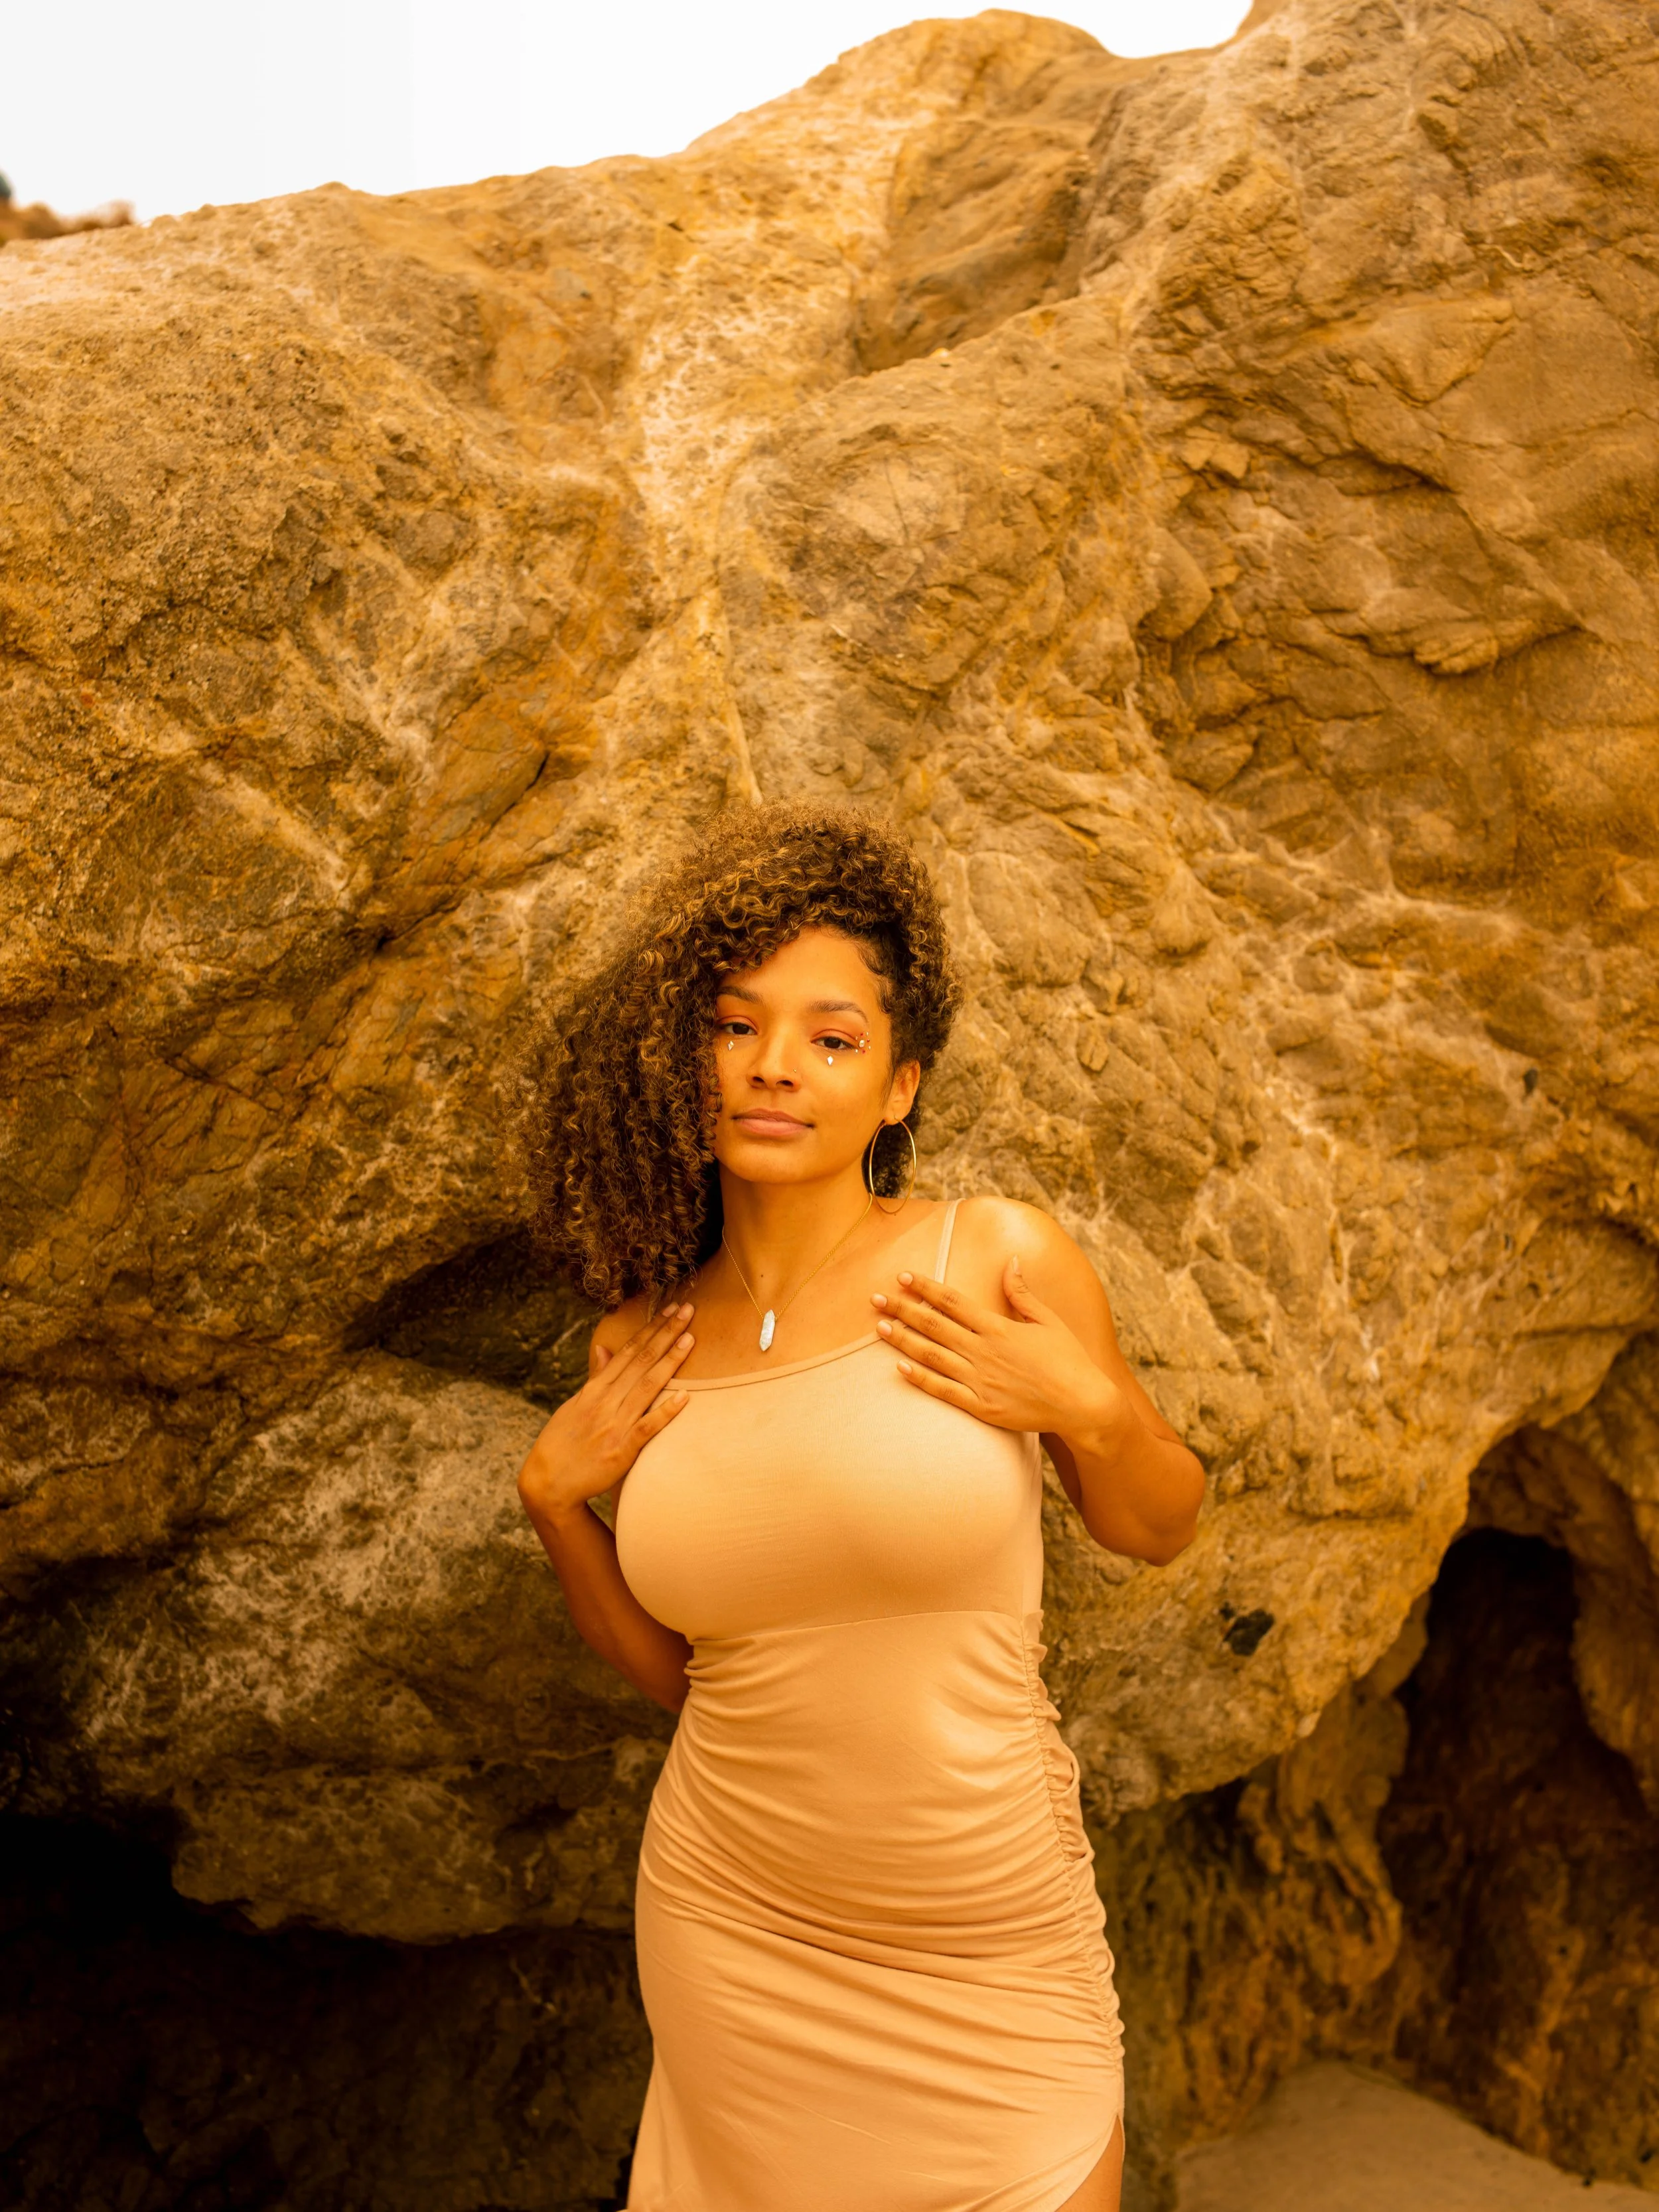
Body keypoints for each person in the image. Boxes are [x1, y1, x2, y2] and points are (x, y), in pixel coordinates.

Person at [515, 802, 1205, 2212]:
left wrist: (1083, 1406)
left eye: (830, 1038)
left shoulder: (992, 1258)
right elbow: (688, 1679)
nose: (774, 1068)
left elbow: (1155, 1522)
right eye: (733, 1026)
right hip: (734, 1928)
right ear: (683, 1055)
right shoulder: (637, 1341)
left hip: (986, 1940)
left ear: (897, 1086)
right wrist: (551, 1503)